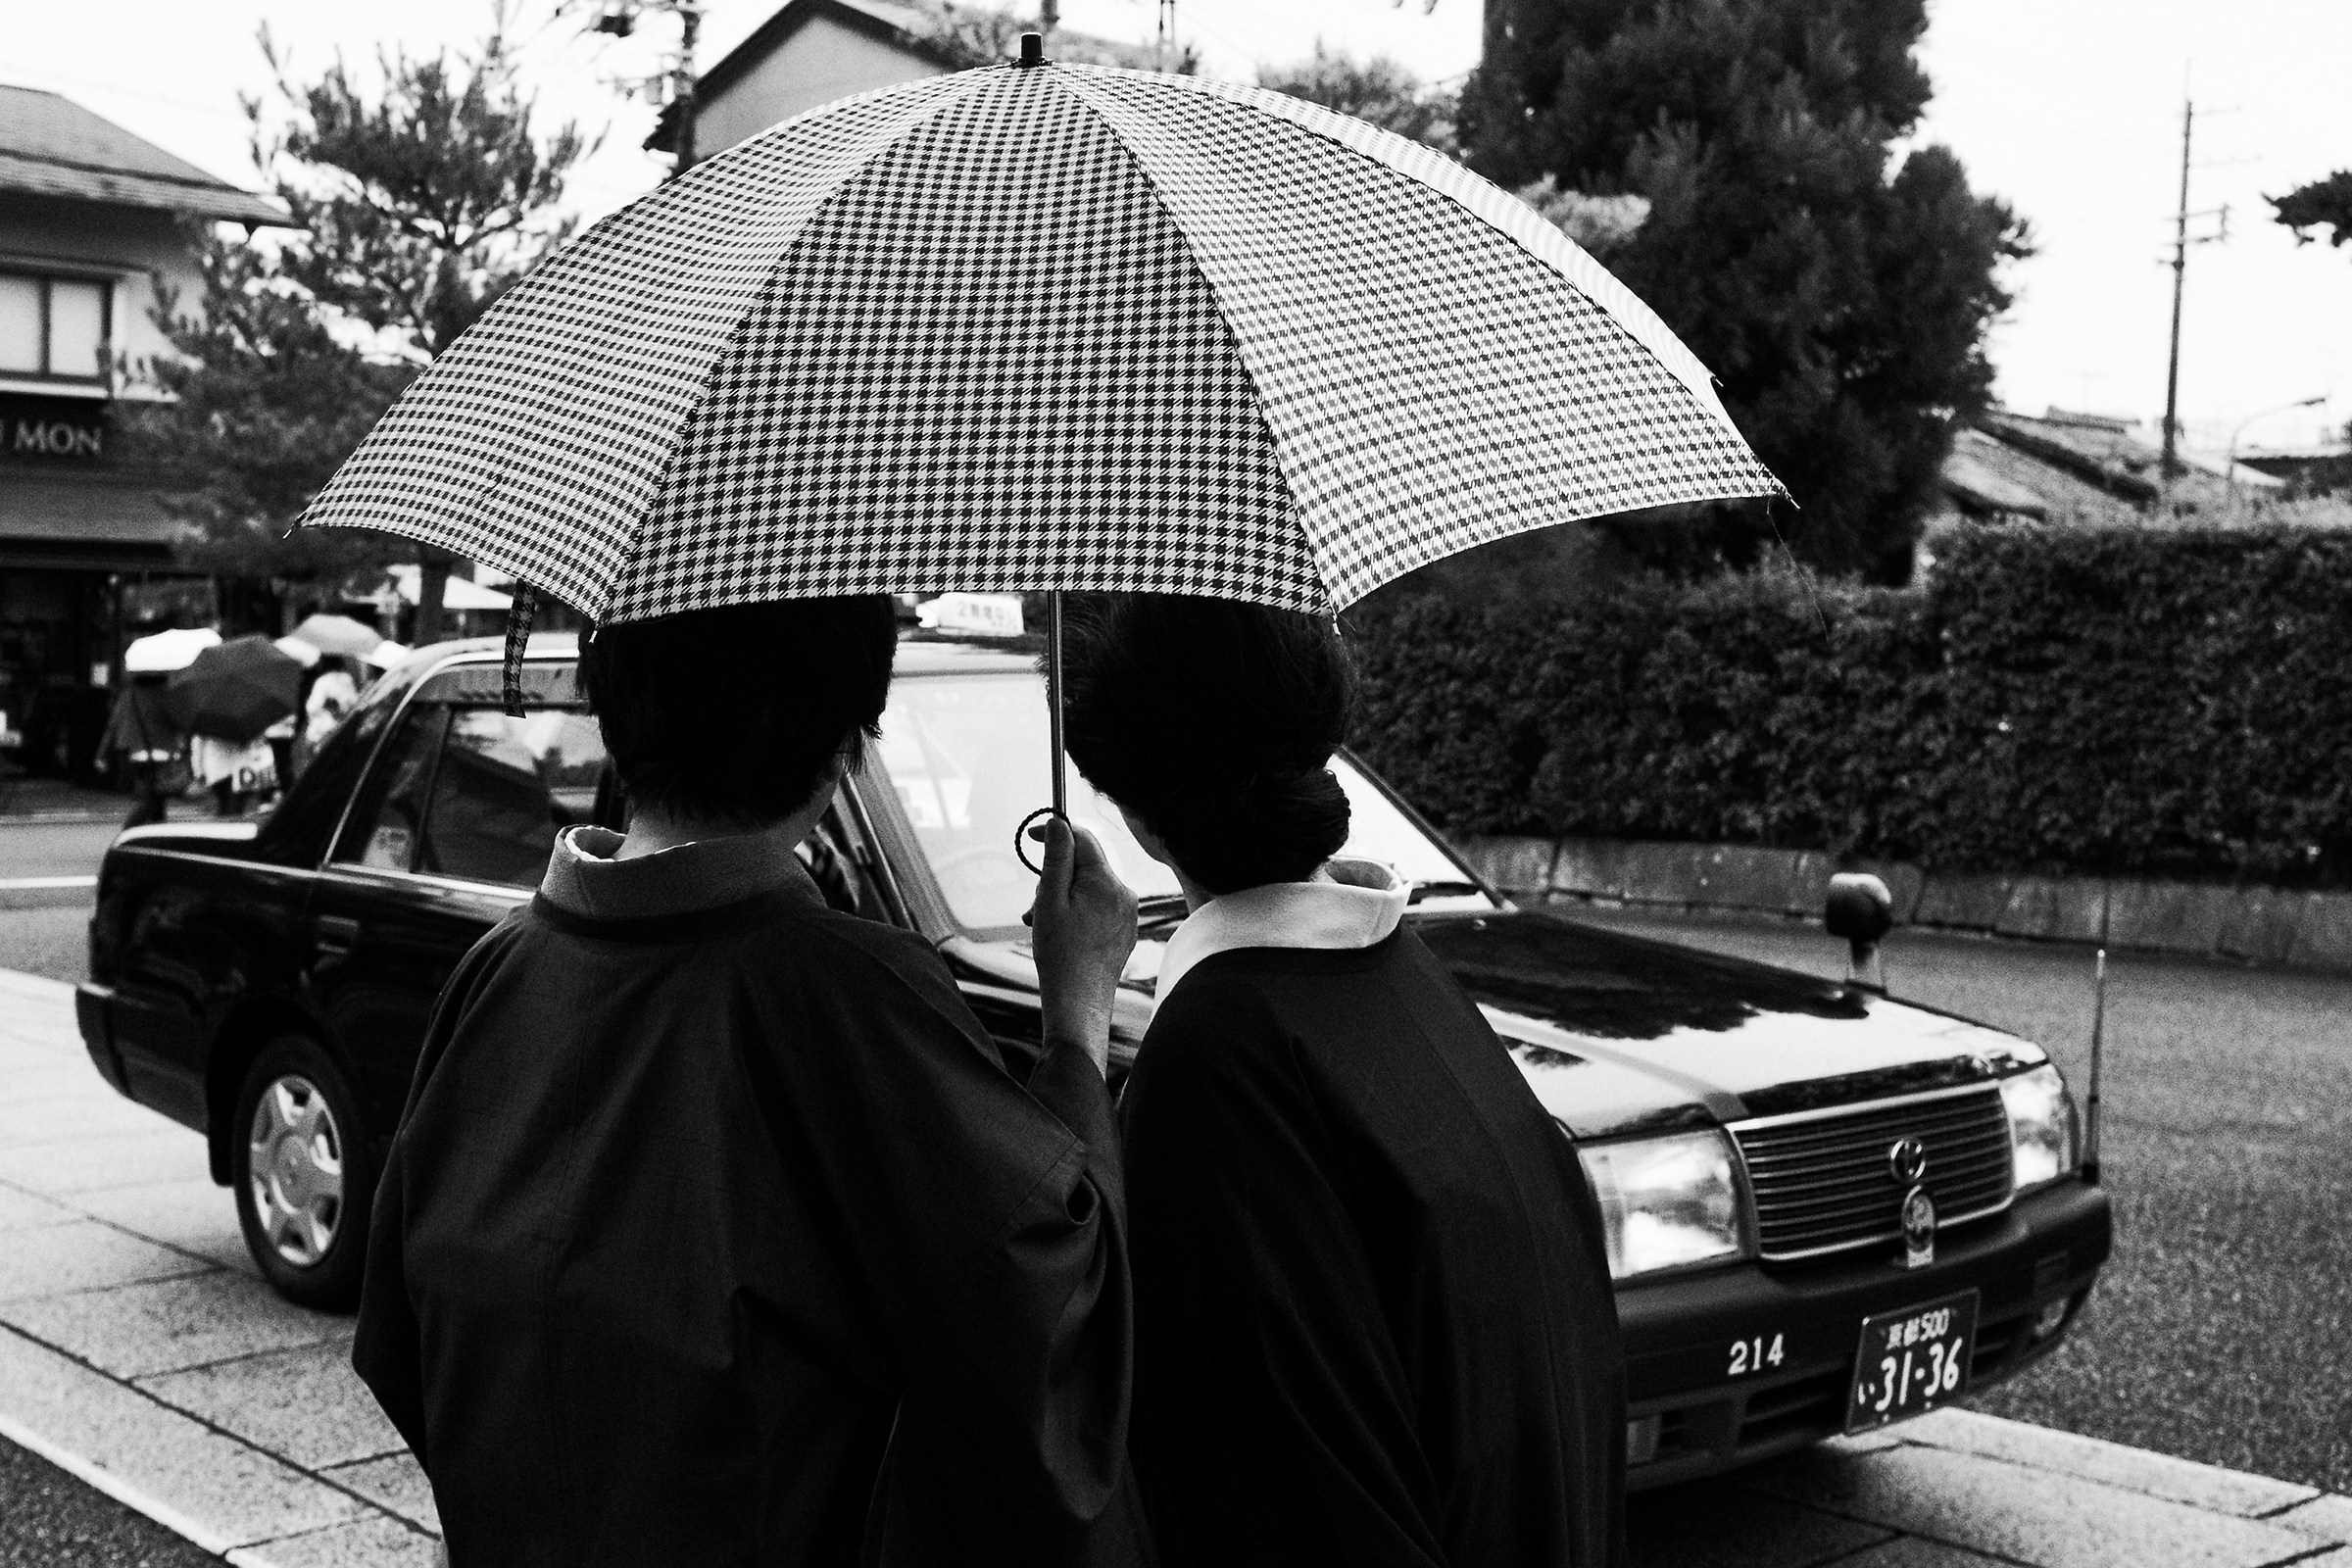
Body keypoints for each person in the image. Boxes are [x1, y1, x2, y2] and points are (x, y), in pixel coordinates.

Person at [353, 596, 1152, 1568]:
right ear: (843, 745)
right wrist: (1077, 1013)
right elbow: (1043, 1317)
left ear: (612, 709)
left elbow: (404, 1332)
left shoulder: (495, 972)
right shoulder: (848, 996)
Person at [1059, 594, 1628, 1568]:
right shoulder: (1408, 979)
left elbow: (1273, 1486)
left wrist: (1069, 1020)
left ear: (1138, 817)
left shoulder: (1217, 1061)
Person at [100, 673, 182, 828]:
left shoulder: (128, 695)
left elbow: (113, 725)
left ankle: (157, 834)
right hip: (161, 752)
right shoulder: (163, 694)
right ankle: (128, 832)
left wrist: (102, 754)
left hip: (134, 753)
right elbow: (176, 720)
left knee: (154, 797)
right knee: (151, 799)